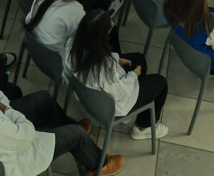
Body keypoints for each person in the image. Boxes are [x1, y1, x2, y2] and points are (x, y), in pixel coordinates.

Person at [0, 58, 124, 176]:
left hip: (1, 126)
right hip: (18, 153)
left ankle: (66, 128)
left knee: (43, 99)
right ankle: (99, 165)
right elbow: (27, 134)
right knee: (77, 134)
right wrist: (7, 110)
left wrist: (6, 108)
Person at [65, 10, 169, 141]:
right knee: (161, 83)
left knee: (139, 59)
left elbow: (96, 60)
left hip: (89, 95)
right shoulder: (104, 68)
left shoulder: (72, 45)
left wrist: (115, 59)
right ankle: (143, 128)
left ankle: (138, 108)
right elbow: (122, 93)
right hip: (113, 104)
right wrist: (133, 75)